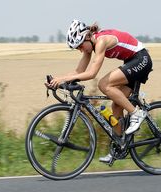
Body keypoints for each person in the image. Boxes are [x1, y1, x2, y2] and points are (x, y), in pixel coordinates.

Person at [47, 19, 153, 163]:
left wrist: (64, 80)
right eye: (77, 48)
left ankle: (136, 114)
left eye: (80, 46)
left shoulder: (101, 41)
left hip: (141, 59)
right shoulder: (89, 45)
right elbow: (79, 71)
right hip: (131, 62)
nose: (80, 50)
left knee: (104, 84)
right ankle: (119, 147)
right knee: (116, 105)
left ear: (87, 37)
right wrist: (58, 80)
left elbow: (91, 74)